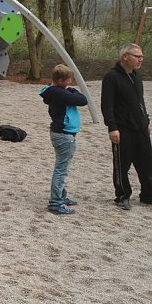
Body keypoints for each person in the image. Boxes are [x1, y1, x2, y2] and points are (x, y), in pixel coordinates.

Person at [100, 43, 152, 210]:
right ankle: (122, 195)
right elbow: (107, 104)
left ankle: (147, 195)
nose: (140, 59)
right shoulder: (111, 77)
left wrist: (146, 121)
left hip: (141, 128)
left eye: (141, 56)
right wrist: (112, 127)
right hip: (122, 129)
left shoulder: (137, 76)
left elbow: (139, 102)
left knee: (147, 163)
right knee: (122, 165)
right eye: (137, 56)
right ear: (125, 57)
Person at [39, 64, 88, 215]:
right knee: (61, 169)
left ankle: (61, 195)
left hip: (60, 133)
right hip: (64, 135)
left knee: (61, 167)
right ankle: (55, 203)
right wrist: (71, 90)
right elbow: (82, 100)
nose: (71, 82)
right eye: (69, 79)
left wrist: (69, 89)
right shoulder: (60, 93)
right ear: (60, 80)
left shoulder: (55, 91)